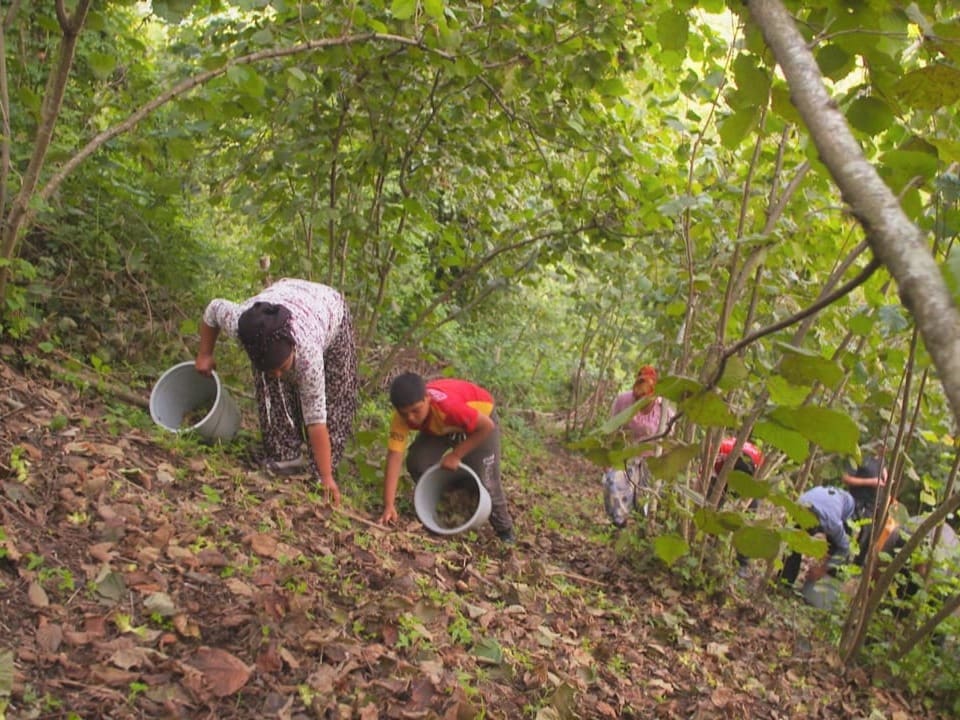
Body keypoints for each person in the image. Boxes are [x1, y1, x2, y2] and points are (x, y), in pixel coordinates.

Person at [195, 278, 358, 505]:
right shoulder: (242, 324)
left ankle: (319, 471)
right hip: (282, 297)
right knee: (270, 384)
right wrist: (205, 354)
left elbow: (316, 422)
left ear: (292, 346)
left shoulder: (308, 353)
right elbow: (213, 309)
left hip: (328, 309)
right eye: (275, 369)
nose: (280, 374)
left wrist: (327, 477)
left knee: (336, 397)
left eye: (283, 367)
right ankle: (286, 458)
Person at [378, 372, 515, 543]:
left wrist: (456, 454)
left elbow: (486, 427)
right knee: (418, 462)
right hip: (441, 427)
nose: (411, 418)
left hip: (480, 421)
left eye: (415, 410)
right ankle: (450, 498)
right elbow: (394, 458)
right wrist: (389, 505)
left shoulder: (449, 408)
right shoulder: (402, 419)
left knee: (487, 481)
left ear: (427, 398)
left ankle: (505, 531)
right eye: (404, 413)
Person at [602, 365, 674, 528]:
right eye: (638, 394)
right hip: (628, 455)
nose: (640, 398)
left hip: (653, 459)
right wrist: (607, 457)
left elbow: (670, 441)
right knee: (613, 481)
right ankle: (619, 524)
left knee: (647, 499)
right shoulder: (623, 401)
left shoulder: (664, 411)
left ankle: (644, 528)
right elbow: (612, 429)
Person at [780, 485, 856, 586]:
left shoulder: (827, 490)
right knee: (796, 546)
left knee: (794, 545)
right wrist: (822, 570)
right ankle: (791, 583)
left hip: (800, 506)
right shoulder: (834, 522)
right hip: (810, 511)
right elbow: (844, 549)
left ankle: (784, 581)